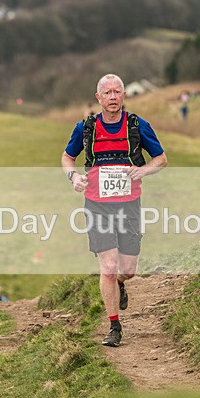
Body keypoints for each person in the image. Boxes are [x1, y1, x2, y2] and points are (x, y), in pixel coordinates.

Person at [62, 73, 167, 347]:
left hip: (129, 204)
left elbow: (162, 159)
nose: (112, 97)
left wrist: (142, 170)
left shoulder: (137, 125)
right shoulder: (85, 128)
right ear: (98, 97)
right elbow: (67, 157)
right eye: (107, 93)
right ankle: (114, 326)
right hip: (97, 205)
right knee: (108, 266)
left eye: (117, 92)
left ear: (123, 95)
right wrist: (73, 177)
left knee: (127, 269)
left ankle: (121, 283)